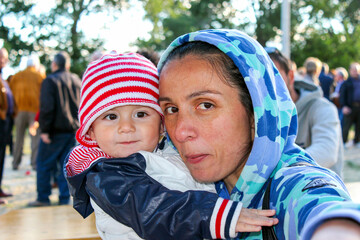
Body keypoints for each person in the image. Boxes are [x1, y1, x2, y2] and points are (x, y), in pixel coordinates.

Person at [65, 29, 360, 239]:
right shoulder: (175, 175)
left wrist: (337, 227)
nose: (180, 131)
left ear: (256, 108)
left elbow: (321, 207)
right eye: (170, 109)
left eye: (205, 105)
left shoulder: (289, 186)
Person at [65, 52, 278, 239]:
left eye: (141, 114)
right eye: (111, 116)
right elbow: (154, 209)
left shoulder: (170, 151)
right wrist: (216, 215)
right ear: (91, 131)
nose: (126, 127)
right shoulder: (108, 175)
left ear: (160, 125)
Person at [266, 47, 344, 178]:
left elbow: (327, 151)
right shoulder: (262, 114)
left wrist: (273, 170)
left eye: (273, 76)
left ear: (290, 76)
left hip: (320, 191)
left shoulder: (321, 107)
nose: (267, 85)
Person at [27, 51, 81, 207]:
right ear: (68, 65)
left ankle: (43, 198)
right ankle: (64, 198)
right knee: (66, 167)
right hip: (72, 131)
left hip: (54, 132)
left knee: (43, 164)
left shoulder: (50, 81)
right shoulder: (76, 80)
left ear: (54, 64)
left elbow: (47, 108)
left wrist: (44, 130)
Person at [9, 55, 44, 170]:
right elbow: (44, 95)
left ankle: (15, 163)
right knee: (35, 138)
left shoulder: (16, 76)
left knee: (18, 137)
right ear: (35, 65)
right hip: (34, 112)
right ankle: (34, 164)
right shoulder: (39, 77)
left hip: (19, 111)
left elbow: (10, 93)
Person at [0, 48, 15, 204]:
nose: (3, 60)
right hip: (2, 120)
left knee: (2, 157)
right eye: (1, 57)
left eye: (5, 58)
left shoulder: (3, 76)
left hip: (6, 122)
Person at [340, 62, 360, 148]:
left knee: (359, 126)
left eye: (357, 70)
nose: (355, 71)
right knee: (346, 126)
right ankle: (343, 142)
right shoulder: (346, 82)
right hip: (349, 106)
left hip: (359, 106)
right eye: (353, 70)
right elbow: (342, 95)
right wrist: (344, 106)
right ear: (350, 71)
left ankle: (357, 141)